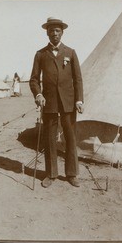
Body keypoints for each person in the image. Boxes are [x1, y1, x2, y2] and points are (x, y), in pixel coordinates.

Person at [30, 17, 84, 188]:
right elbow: (33, 80)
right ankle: (51, 174)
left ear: (62, 33)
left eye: (57, 31)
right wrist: (38, 95)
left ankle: (72, 174)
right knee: (50, 138)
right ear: (47, 33)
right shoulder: (40, 54)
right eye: (51, 31)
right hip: (49, 102)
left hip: (68, 102)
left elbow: (78, 79)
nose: (54, 34)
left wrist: (79, 99)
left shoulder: (71, 52)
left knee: (70, 137)